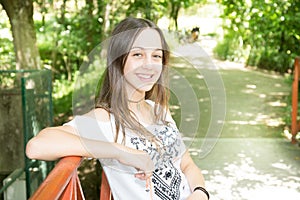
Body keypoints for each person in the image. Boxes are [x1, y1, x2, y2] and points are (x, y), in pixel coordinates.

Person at [26, 17, 209, 200]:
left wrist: (201, 193)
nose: (149, 64)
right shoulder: (107, 119)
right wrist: (120, 152)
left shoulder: (159, 111)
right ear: (119, 60)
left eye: (156, 56)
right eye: (138, 54)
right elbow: (37, 146)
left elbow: (187, 165)